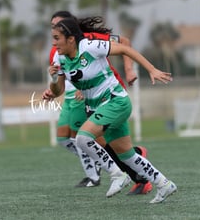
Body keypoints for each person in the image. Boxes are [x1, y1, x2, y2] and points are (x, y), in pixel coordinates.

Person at [49, 18, 177, 203]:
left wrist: (151, 69)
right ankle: (164, 184)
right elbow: (58, 90)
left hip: (116, 102)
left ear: (70, 39)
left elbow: (125, 48)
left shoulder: (90, 46)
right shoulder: (59, 58)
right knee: (127, 155)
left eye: (57, 38)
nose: (53, 43)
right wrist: (53, 78)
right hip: (98, 108)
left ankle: (117, 175)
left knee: (83, 138)